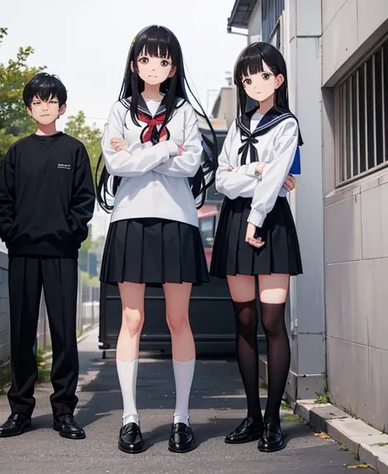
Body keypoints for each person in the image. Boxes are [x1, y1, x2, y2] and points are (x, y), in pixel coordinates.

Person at [96, 25, 216, 454]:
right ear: (134, 65)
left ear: (173, 67)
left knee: (178, 321)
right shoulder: (119, 111)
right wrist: (167, 149)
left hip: (176, 222)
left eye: (163, 60)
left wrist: (143, 155)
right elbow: (116, 164)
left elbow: (190, 166)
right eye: (146, 59)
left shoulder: (184, 111)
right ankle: (130, 417)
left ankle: (181, 418)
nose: (154, 67)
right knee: (132, 320)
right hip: (130, 220)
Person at [210, 42, 302, 453]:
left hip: (270, 223)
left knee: (271, 322)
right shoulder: (238, 125)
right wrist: (257, 169)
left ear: (278, 79)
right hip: (234, 222)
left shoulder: (286, 125)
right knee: (243, 322)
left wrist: (255, 215)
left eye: (262, 76)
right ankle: (251, 415)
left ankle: (272, 420)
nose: (253, 84)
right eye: (246, 79)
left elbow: (275, 180)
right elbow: (222, 181)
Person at [0, 72, 95, 440]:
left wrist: (70, 234)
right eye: (38, 102)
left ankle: (64, 411)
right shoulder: (18, 151)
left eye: (51, 101)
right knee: (21, 334)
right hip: (22, 253)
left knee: (64, 333)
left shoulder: (74, 150)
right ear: (28, 108)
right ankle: (20, 411)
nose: (45, 107)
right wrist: (13, 235)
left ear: (62, 107)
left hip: (61, 255)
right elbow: (3, 203)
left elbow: (85, 202)